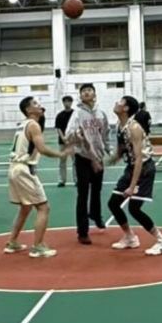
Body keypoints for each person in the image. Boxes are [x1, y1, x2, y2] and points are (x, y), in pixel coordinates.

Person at [3, 97, 72, 258]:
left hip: (14, 168)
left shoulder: (22, 124)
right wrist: (61, 154)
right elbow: (42, 148)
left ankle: (12, 242)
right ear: (28, 110)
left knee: (25, 207)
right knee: (43, 208)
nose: (40, 105)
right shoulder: (33, 125)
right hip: (24, 169)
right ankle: (38, 246)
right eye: (35, 103)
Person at [107, 96, 162, 255]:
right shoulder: (119, 125)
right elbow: (121, 150)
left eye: (120, 102)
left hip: (144, 169)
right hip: (131, 168)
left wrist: (131, 187)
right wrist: (105, 162)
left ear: (126, 108)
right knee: (113, 203)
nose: (116, 103)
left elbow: (139, 159)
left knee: (134, 208)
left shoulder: (134, 128)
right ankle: (130, 237)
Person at [65, 83, 110, 245]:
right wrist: (76, 136)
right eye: (83, 91)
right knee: (83, 194)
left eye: (89, 90)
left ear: (94, 94)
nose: (86, 93)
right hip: (83, 158)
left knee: (97, 190)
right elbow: (68, 134)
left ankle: (96, 215)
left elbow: (105, 133)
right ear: (80, 95)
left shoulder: (101, 114)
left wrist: (107, 149)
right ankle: (82, 231)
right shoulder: (77, 114)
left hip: (98, 157)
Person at [54, 96, 74, 188]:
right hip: (62, 142)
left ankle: (77, 180)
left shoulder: (75, 114)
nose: (67, 103)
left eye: (69, 101)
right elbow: (58, 128)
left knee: (75, 162)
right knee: (62, 161)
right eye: (65, 101)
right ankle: (62, 180)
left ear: (71, 102)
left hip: (73, 141)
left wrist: (70, 138)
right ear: (63, 103)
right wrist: (64, 138)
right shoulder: (60, 115)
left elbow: (77, 127)